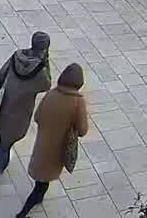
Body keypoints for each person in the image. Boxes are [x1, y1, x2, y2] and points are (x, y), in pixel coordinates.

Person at [0, 32, 53, 197]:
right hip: (18, 117)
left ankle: (3, 164)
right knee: (2, 149)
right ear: (45, 49)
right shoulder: (40, 70)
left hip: (3, 109)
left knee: (4, 143)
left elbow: (2, 73)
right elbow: (46, 85)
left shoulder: (17, 55)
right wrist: (45, 64)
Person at [18, 63, 92, 218]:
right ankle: (22, 214)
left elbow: (37, 117)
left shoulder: (51, 94)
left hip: (42, 145)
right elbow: (83, 130)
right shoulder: (77, 102)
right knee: (42, 184)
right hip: (57, 150)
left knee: (41, 179)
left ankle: (36, 199)